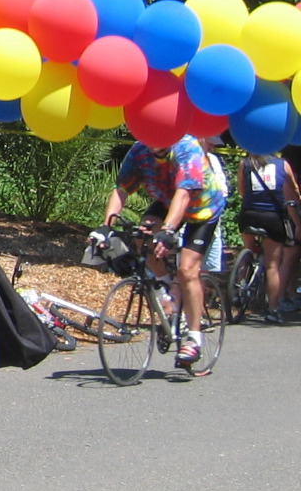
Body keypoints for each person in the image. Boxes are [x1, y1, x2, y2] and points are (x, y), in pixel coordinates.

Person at [102, 134, 227, 366]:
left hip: (202, 208)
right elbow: (121, 189)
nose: (153, 142)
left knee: (188, 270)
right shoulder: (140, 150)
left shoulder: (186, 147)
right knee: (144, 235)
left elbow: (184, 194)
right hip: (168, 200)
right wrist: (105, 227)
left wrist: (168, 230)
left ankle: (194, 337)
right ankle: (166, 291)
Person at [237, 148, 301, 321]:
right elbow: (293, 190)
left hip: (248, 214)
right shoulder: (283, 164)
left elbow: (242, 191)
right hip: (272, 217)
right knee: (273, 265)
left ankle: (239, 286)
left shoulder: (245, 163)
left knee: (248, 249)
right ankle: (272, 309)